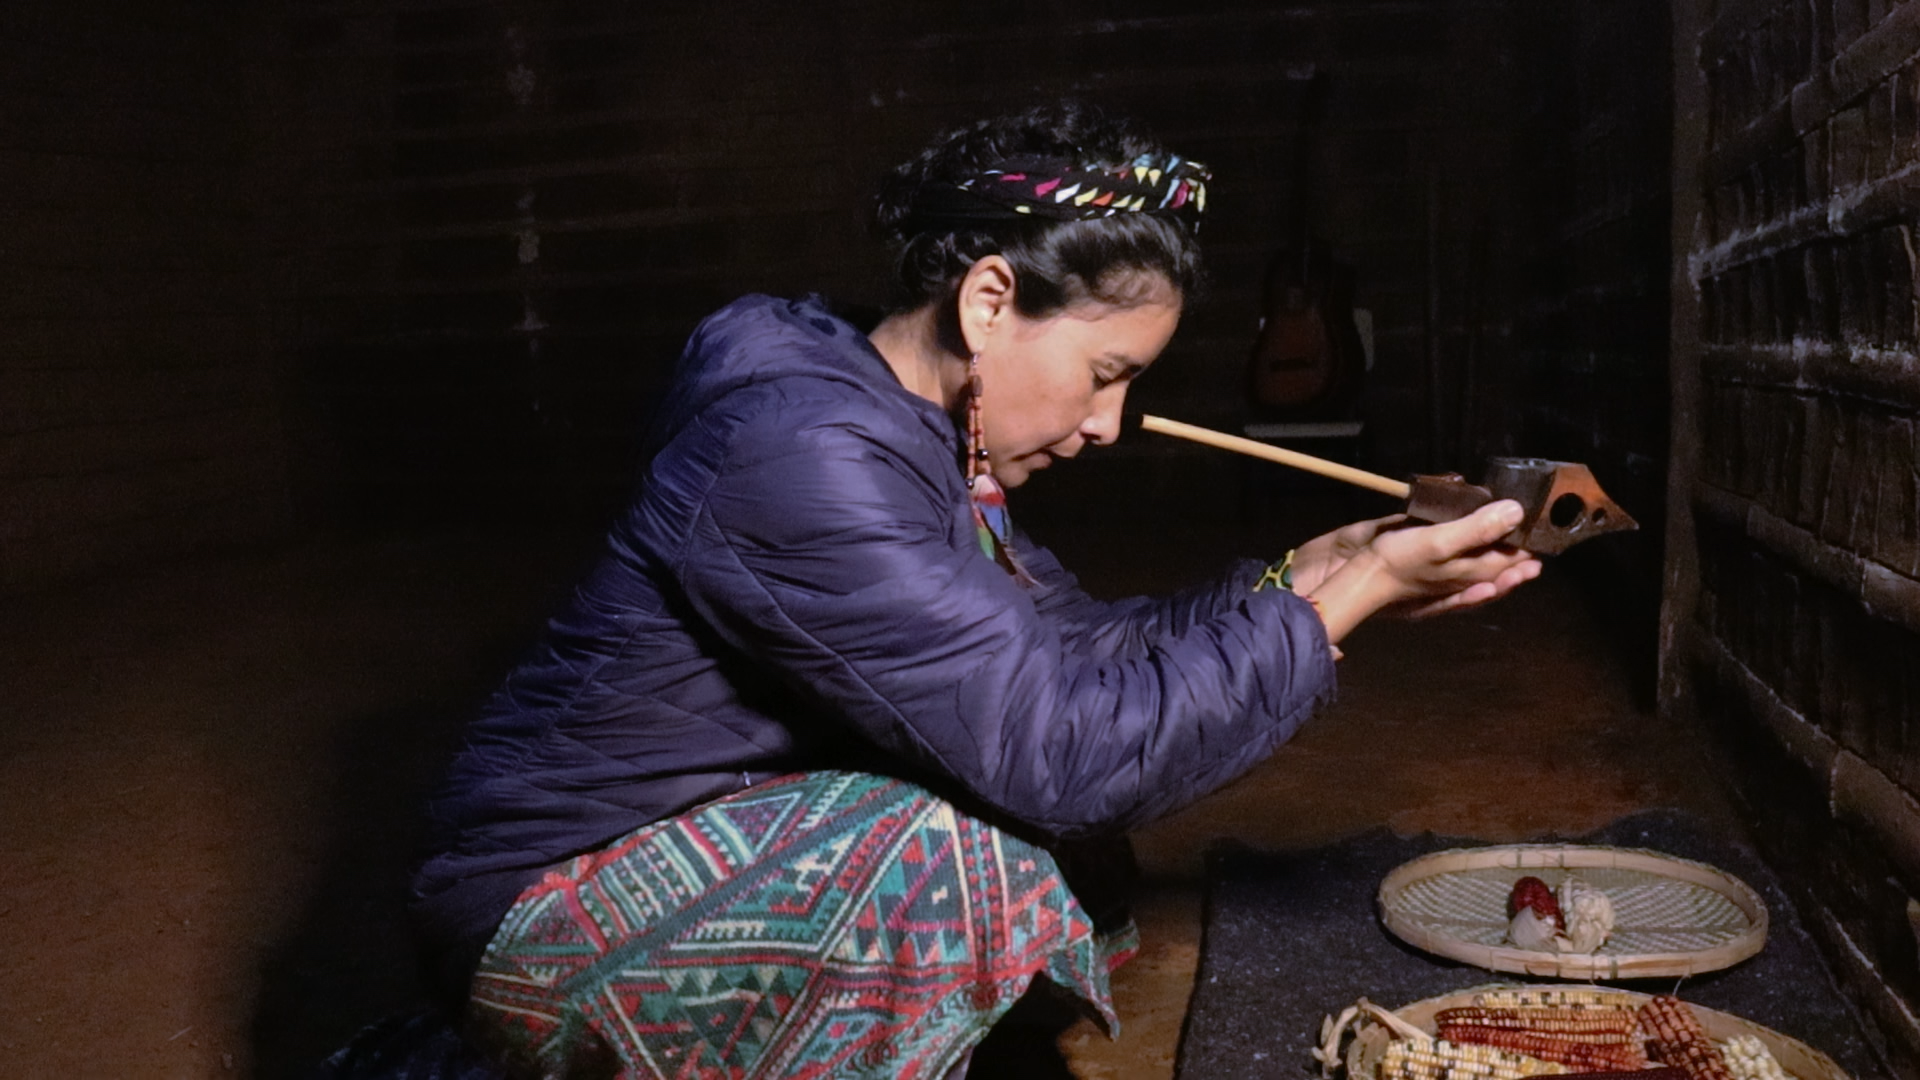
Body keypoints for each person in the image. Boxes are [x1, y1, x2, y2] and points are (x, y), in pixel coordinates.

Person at [408, 102, 1540, 1079]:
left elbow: (1067, 648)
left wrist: (1311, 578)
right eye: (1105, 375)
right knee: (953, 855)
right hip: (544, 912)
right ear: (989, 301)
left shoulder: (914, 429)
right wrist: (1335, 607)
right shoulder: (800, 454)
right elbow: (1062, 752)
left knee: (1048, 834)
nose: (1107, 425)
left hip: (710, 827)